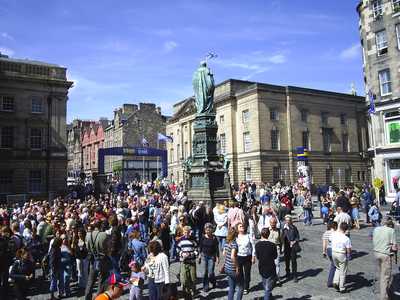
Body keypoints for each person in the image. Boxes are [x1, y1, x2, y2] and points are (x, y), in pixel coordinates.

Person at [85, 220, 111, 300]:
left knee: (91, 280)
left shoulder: (88, 235)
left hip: (93, 259)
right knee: (102, 280)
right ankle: (98, 297)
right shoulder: (104, 235)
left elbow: (87, 248)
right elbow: (108, 248)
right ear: (100, 226)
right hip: (102, 259)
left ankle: (87, 297)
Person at [372, 217, 397, 300]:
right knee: (385, 276)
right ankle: (384, 297)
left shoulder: (376, 229)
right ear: (390, 224)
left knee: (381, 274)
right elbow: (394, 247)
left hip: (376, 253)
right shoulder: (391, 230)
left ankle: (385, 291)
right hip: (385, 255)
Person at [255, 228, 278, 300]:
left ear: (261, 234)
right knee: (268, 287)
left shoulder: (257, 244)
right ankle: (267, 296)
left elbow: (258, 256)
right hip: (270, 267)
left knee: (265, 283)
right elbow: (275, 256)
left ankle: (269, 296)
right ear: (269, 234)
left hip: (261, 266)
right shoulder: (272, 245)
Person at [177, 226, 198, 299]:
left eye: (188, 232)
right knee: (184, 279)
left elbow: (197, 250)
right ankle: (186, 293)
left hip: (192, 262)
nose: (186, 234)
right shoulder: (181, 240)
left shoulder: (193, 240)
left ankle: (193, 290)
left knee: (193, 278)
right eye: (185, 232)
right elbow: (177, 249)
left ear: (190, 232)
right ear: (183, 232)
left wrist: (191, 254)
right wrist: (182, 254)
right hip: (184, 262)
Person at [331, 222, 352, 293]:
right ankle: (342, 287)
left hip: (333, 252)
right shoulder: (346, 238)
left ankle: (335, 281)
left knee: (337, 267)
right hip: (341, 254)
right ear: (346, 229)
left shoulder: (335, 235)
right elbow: (348, 249)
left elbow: (330, 240)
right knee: (343, 271)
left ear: (340, 227)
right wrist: (349, 255)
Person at [236, 222, 256, 294]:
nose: (242, 227)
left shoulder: (248, 236)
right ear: (237, 229)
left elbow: (253, 246)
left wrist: (253, 256)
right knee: (239, 273)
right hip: (239, 257)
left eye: (243, 226)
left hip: (248, 257)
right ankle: (241, 285)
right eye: (240, 226)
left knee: (247, 273)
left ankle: (246, 287)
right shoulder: (236, 236)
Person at [223, 227, 242, 300]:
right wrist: (237, 267)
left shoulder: (226, 242)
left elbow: (224, 253)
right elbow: (232, 256)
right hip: (232, 268)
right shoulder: (234, 244)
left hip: (227, 268)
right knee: (241, 286)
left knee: (231, 287)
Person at [199, 223, 219, 292]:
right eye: (206, 230)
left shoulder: (214, 238)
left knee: (210, 272)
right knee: (204, 272)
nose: (207, 231)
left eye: (209, 230)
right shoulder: (203, 237)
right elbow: (200, 247)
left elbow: (217, 248)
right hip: (204, 256)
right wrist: (199, 256)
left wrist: (218, 257)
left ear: (211, 230)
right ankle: (205, 286)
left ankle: (213, 281)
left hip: (211, 256)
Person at [282, 215, 300, 282]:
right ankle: (287, 272)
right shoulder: (283, 228)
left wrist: (294, 241)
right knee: (286, 260)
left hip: (293, 247)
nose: (287, 222)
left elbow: (297, 237)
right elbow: (281, 237)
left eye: (288, 220)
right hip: (286, 246)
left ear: (291, 221)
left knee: (293, 261)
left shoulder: (294, 228)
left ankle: (295, 275)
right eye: (286, 220)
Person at [267, 217, 282, 285]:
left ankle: (277, 279)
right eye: (271, 223)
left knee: (277, 264)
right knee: (269, 264)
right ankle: (270, 278)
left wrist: (282, 248)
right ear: (269, 223)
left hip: (276, 248)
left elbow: (281, 240)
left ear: (276, 223)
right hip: (268, 249)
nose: (273, 224)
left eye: (274, 223)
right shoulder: (267, 230)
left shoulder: (279, 230)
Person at [322, 221, 338, 288]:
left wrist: (323, 252)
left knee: (333, 264)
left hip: (328, 250)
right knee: (335, 266)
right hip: (335, 250)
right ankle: (333, 281)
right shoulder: (336, 233)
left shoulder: (325, 233)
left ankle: (331, 281)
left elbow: (324, 244)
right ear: (335, 226)